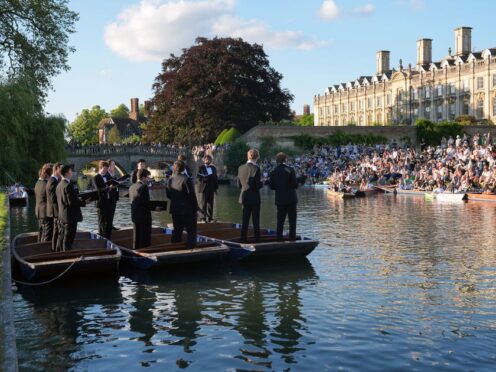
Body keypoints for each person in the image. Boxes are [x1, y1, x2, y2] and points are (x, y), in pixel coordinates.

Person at [166, 160, 199, 248]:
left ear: (174, 168)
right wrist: (196, 209)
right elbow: (192, 196)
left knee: (177, 231)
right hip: (187, 210)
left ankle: (173, 249)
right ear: (184, 168)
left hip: (175, 209)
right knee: (191, 230)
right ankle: (191, 249)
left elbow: (168, 195)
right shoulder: (186, 179)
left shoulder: (170, 179)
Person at [269, 152, 298, 240]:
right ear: (285, 159)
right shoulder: (290, 170)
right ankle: (292, 239)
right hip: (291, 200)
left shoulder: (273, 171)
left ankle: (279, 239)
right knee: (292, 222)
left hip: (280, 200)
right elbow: (294, 185)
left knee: (280, 221)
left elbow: (271, 186)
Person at [56, 165, 86, 251]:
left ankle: (60, 254)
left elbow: (65, 200)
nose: (71, 173)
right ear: (66, 173)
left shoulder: (59, 185)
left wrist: (76, 199)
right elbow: (72, 202)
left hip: (62, 216)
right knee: (68, 239)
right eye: (70, 171)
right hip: (70, 217)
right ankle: (67, 255)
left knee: (62, 237)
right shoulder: (68, 185)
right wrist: (84, 202)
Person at [237, 149, 263, 242]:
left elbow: (239, 185)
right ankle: (257, 241)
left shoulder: (240, 168)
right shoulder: (256, 168)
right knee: (256, 221)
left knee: (245, 221)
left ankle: (243, 240)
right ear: (257, 157)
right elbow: (257, 185)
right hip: (254, 198)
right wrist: (262, 183)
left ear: (248, 156)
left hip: (244, 197)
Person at [129, 168, 152, 249]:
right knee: (145, 237)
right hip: (144, 216)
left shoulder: (132, 187)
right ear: (143, 177)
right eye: (147, 177)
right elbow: (146, 202)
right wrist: (155, 207)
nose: (148, 179)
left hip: (135, 215)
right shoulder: (144, 187)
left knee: (136, 236)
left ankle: (136, 250)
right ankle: (145, 251)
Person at [93, 160, 112, 238]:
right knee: (101, 220)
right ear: (100, 168)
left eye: (107, 169)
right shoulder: (96, 177)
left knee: (108, 220)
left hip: (107, 201)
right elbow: (97, 190)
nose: (106, 171)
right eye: (104, 169)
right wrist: (107, 188)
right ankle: (102, 237)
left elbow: (110, 184)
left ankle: (108, 236)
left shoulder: (107, 176)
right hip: (100, 202)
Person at [197, 154, 218, 222]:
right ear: (204, 160)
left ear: (211, 160)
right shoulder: (201, 167)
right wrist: (203, 178)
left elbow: (215, 178)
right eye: (206, 159)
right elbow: (198, 177)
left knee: (210, 203)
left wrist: (216, 189)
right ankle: (202, 218)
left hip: (211, 187)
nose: (208, 160)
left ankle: (210, 218)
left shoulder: (213, 168)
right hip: (203, 187)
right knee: (203, 203)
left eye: (209, 159)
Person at [46, 162, 62, 251]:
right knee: (57, 232)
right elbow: (53, 199)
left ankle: (55, 249)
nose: (62, 171)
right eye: (61, 169)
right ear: (56, 169)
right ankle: (55, 250)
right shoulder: (53, 181)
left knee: (56, 231)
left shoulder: (54, 180)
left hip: (54, 210)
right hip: (55, 211)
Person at [34, 163, 52, 242]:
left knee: (41, 231)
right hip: (44, 212)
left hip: (38, 211)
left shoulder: (37, 183)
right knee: (46, 233)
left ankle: (38, 245)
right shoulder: (46, 184)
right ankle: (43, 249)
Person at [107, 159, 120, 231]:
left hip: (115, 194)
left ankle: (111, 224)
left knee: (113, 211)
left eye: (114, 165)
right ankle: (108, 225)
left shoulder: (114, 174)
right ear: (109, 166)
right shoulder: (107, 174)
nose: (114, 166)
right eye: (113, 165)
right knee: (109, 211)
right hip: (109, 195)